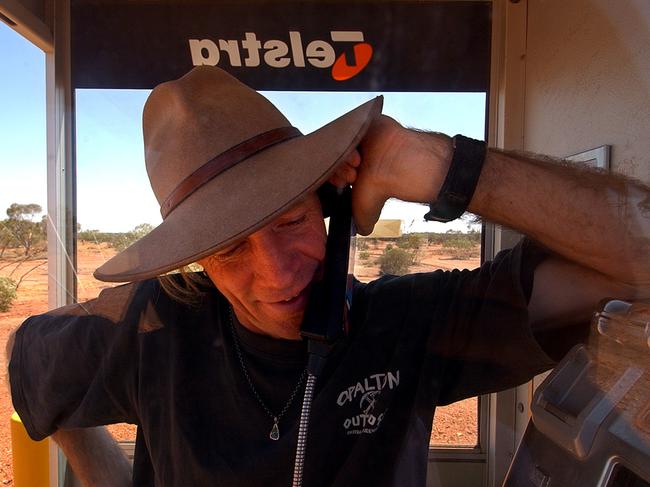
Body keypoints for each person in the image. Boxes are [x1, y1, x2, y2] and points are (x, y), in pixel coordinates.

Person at [7, 66, 650, 487]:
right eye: (230, 250)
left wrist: (435, 165)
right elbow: (28, 365)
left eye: (290, 221)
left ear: (329, 207)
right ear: (195, 262)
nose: (278, 272)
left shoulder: (407, 327)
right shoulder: (152, 324)